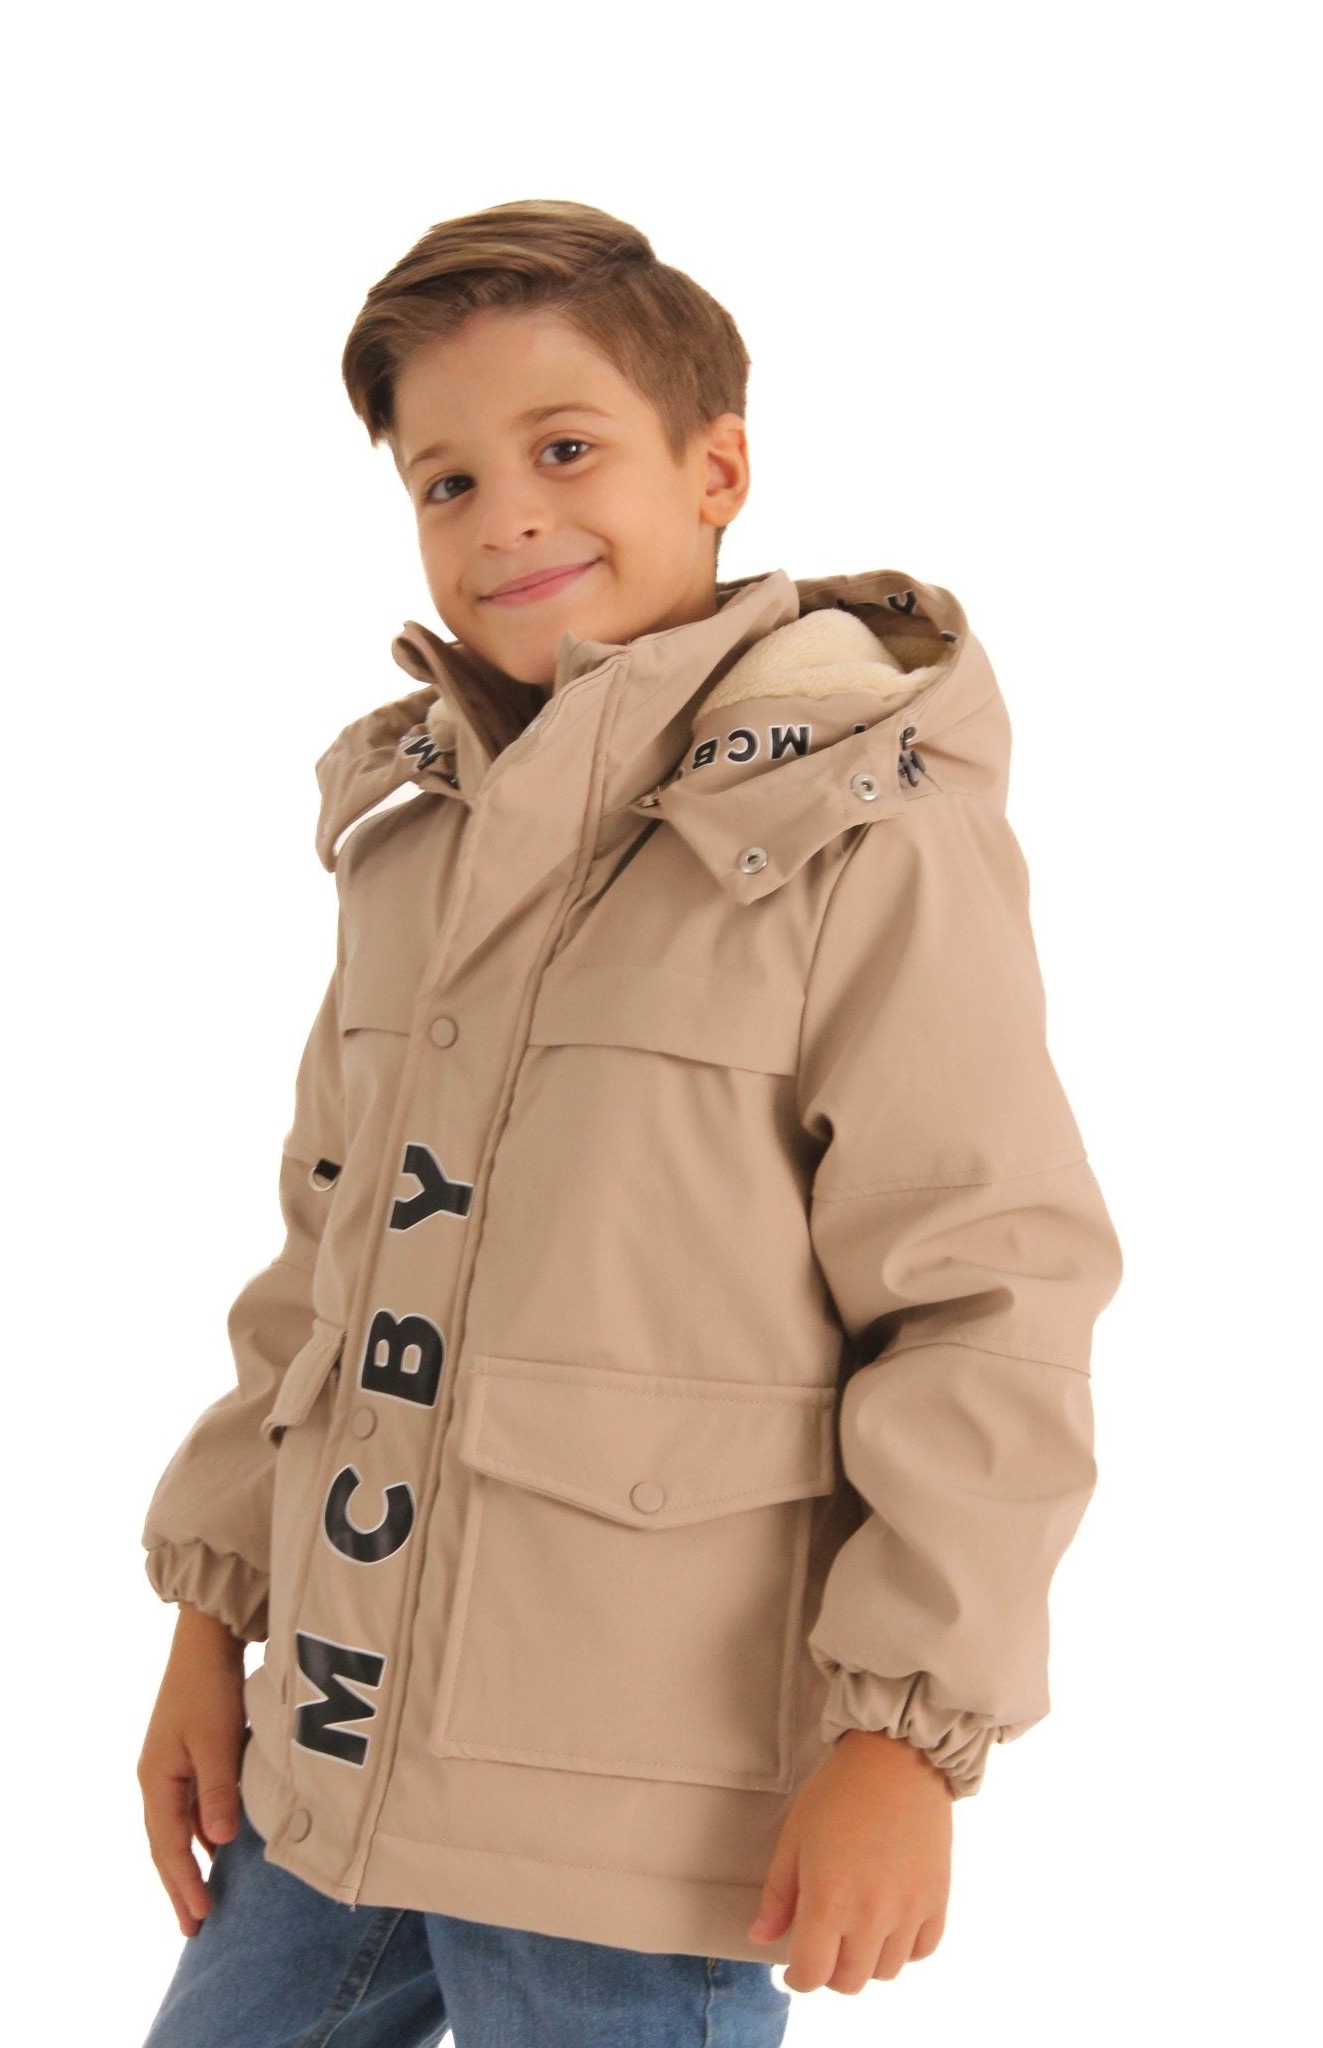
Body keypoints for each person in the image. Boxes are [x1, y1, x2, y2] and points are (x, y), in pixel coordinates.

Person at [136, 196, 1123, 2047]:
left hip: (630, 1816)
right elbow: (322, 1266)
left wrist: (904, 1734)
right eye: (445, 481)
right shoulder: (410, 847)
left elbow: (984, 1296)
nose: (505, 515)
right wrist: (213, 1616)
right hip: (335, 1757)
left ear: (717, 469)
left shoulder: (862, 839)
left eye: (566, 449)